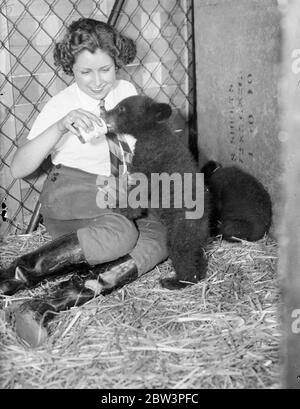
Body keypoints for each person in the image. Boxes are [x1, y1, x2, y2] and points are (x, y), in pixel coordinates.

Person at [2, 18, 168, 299]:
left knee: (161, 234)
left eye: (105, 69)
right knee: (122, 233)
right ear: (71, 69)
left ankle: (67, 296)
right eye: (85, 72)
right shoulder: (62, 105)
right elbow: (19, 168)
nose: (97, 81)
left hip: (117, 193)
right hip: (72, 196)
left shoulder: (126, 91)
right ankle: (13, 276)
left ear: (117, 62)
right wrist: (59, 126)